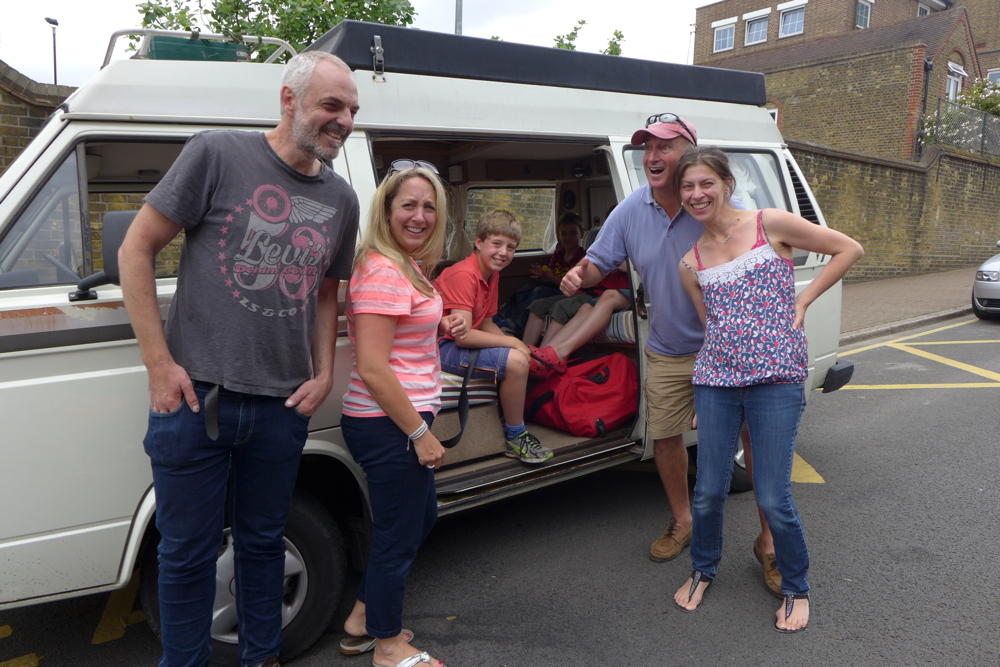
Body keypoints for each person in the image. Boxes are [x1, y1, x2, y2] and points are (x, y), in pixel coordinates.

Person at [119, 51, 360, 667]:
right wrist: (158, 365)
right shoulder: (217, 153)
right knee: (187, 556)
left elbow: (327, 292)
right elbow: (135, 249)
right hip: (195, 399)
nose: (345, 120)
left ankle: (262, 659)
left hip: (281, 408)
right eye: (332, 105)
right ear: (289, 100)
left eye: (353, 110)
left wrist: (325, 373)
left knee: (262, 547)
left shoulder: (341, 198)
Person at [560, 114, 779, 580]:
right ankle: (683, 522)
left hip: (728, 351)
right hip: (665, 347)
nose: (653, 156)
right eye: (647, 148)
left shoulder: (719, 207)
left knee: (752, 439)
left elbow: (764, 260)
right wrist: (581, 273)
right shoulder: (630, 210)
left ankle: (769, 539)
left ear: (689, 153)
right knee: (663, 435)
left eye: (665, 146)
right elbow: (599, 263)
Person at [671, 146, 863, 632]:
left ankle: (797, 587)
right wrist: (701, 396)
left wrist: (804, 300)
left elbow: (849, 249)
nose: (697, 194)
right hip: (716, 383)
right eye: (687, 187)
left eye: (706, 183)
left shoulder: (768, 223)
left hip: (776, 379)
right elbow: (711, 329)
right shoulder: (690, 263)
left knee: (774, 495)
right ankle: (702, 570)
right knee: (707, 491)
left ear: (726, 183)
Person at [340, 161, 464, 667]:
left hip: (399, 418)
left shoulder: (404, 265)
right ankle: (388, 645)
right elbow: (373, 367)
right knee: (397, 532)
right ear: (386, 211)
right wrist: (418, 433)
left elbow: (399, 334)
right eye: (408, 205)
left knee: (420, 517)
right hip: (388, 422)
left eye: (429, 207)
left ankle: (361, 620)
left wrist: (441, 324)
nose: (419, 216)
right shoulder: (382, 270)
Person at [433, 210, 553, 464]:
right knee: (516, 360)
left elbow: (487, 323)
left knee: (519, 355)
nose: (503, 253)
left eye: (511, 247)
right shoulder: (463, 275)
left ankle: (507, 418)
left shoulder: (492, 274)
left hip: (458, 344)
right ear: (479, 242)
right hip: (440, 348)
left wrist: (518, 348)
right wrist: (514, 343)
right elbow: (463, 337)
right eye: (496, 244)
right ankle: (515, 436)